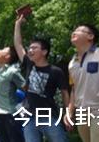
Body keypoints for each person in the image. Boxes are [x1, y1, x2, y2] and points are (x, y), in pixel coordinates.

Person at [14, 14, 69, 142]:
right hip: (29, 116)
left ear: (44, 52)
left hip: (49, 115)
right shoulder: (29, 64)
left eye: (34, 48)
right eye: (30, 48)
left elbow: (65, 93)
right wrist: (17, 24)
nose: (30, 50)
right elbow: (18, 44)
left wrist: (67, 114)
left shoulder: (56, 71)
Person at [67, 23, 99, 142]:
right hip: (82, 113)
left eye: (79, 30)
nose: (74, 32)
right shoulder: (72, 63)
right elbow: (74, 89)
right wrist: (70, 112)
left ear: (90, 36)